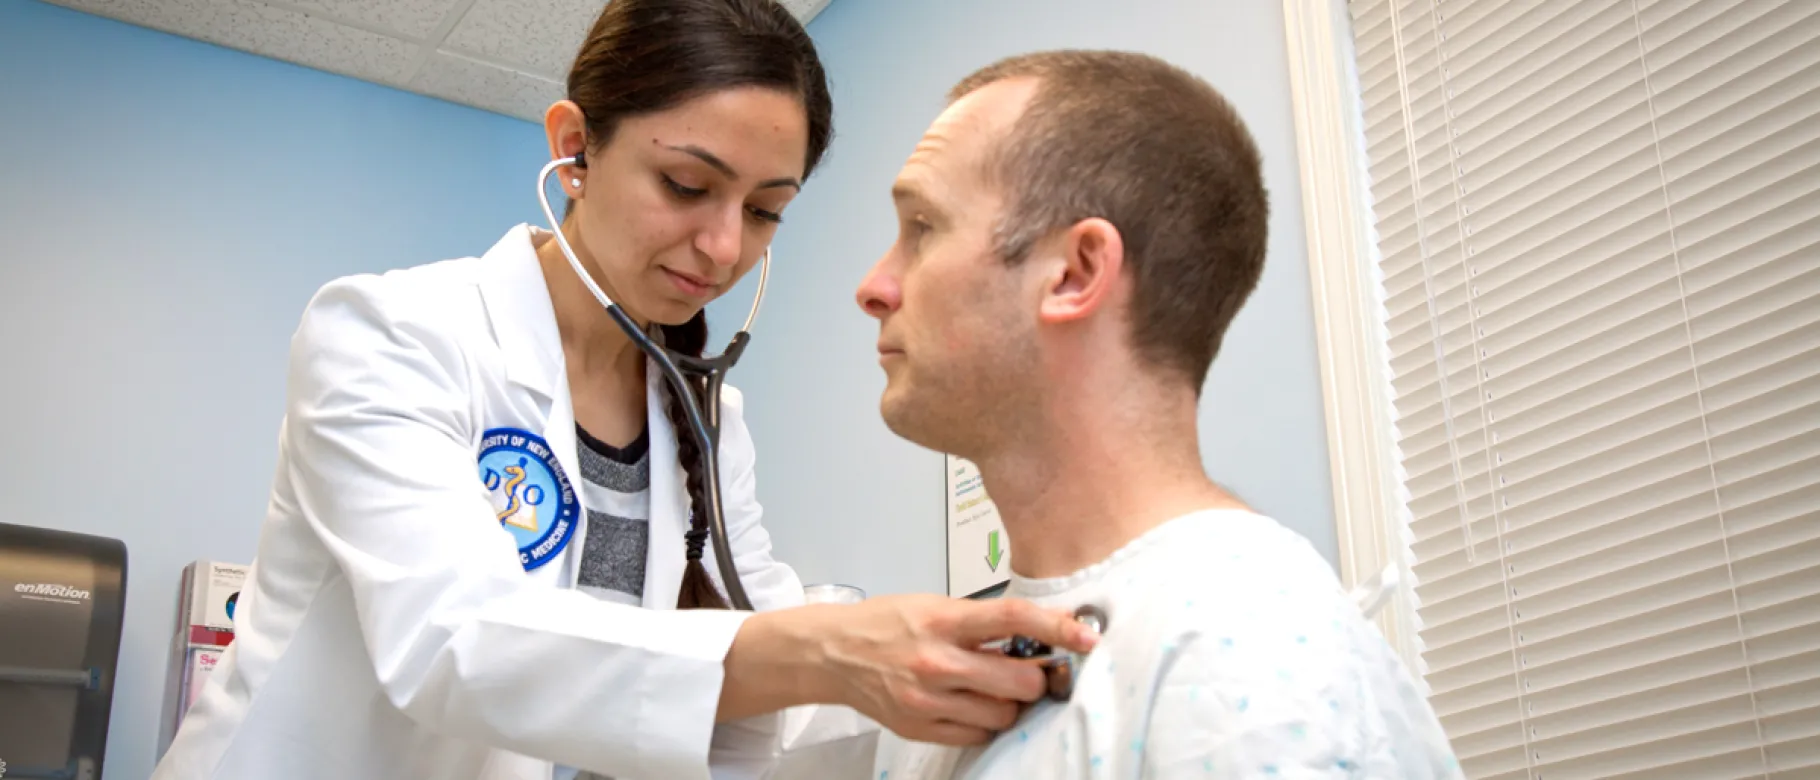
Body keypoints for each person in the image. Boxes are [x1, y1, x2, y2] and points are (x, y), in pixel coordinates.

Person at [149, 4, 1097, 779]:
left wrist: (960, 692)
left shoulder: (706, 418)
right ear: (576, 148)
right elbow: (454, 640)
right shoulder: (389, 335)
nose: (725, 247)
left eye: (766, 210)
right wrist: (831, 649)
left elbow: (772, 686)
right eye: (687, 184)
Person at [857, 50, 1463, 778]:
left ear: (1075, 273)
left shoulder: (1251, 654)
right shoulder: (944, 681)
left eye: (922, 226)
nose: (874, 287)